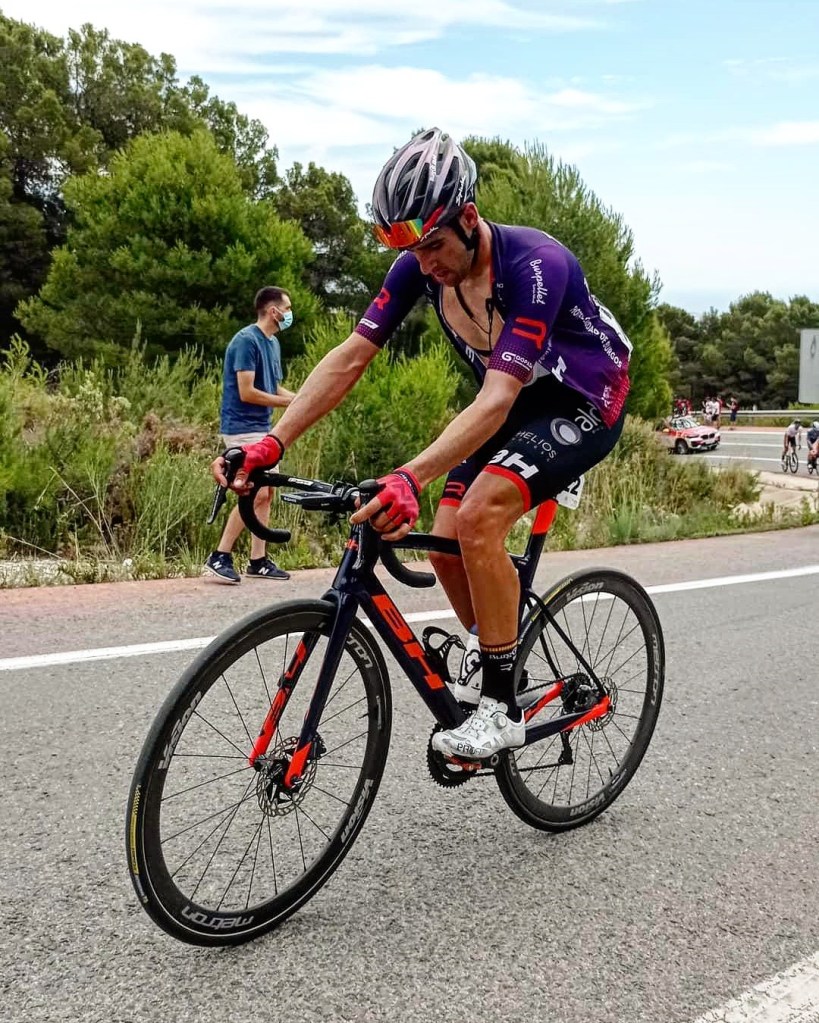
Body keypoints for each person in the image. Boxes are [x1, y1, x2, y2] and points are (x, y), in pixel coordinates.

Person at [212, 128, 632, 757]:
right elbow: (350, 357)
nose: (425, 263)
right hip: (516, 399)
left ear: (470, 218)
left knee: (479, 515)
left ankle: (500, 709)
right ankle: (502, 655)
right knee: (445, 543)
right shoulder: (417, 265)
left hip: (584, 397)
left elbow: (496, 398)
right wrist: (273, 444)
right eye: (413, 249)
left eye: (434, 244)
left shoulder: (535, 265)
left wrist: (410, 475)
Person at [204, 286, 296, 584]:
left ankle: (258, 560)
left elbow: (273, 388)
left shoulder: (272, 343)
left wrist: (302, 399)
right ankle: (220, 555)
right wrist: (287, 403)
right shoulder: (246, 341)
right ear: (273, 311)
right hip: (242, 428)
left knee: (266, 494)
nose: (289, 314)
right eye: (287, 308)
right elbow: (247, 392)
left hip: (263, 428)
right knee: (255, 493)